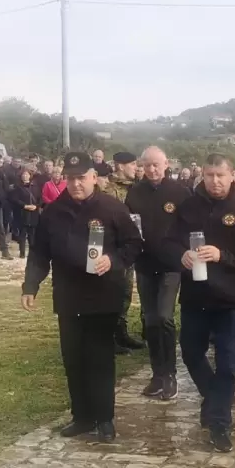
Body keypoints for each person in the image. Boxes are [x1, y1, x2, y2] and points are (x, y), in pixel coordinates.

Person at [21, 152, 141, 442]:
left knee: (100, 358)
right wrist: (30, 286)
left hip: (103, 295)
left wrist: (113, 259)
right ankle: (83, 417)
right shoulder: (53, 212)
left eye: (81, 178)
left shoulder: (112, 208)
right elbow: (40, 253)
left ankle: (105, 418)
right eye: (71, 178)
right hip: (69, 295)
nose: (76, 184)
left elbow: (134, 244)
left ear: (93, 178)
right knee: (73, 358)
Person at [160, 154, 235, 452]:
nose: (215, 181)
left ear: (232, 175)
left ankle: (220, 424)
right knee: (190, 352)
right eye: (209, 175)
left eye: (220, 175)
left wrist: (223, 256)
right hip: (195, 295)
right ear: (203, 176)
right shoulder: (189, 206)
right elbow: (168, 243)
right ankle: (213, 399)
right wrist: (180, 255)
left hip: (231, 297)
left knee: (228, 363)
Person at [126, 146, 191, 399]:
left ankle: (170, 374)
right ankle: (157, 374)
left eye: (156, 164)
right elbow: (129, 225)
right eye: (147, 165)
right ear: (141, 166)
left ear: (166, 165)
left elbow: (190, 225)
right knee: (151, 320)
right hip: (145, 264)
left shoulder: (179, 192)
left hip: (171, 265)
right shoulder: (135, 192)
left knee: (165, 317)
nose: (152, 169)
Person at [101, 151, 145, 352]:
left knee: (126, 291)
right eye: (132, 164)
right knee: (111, 291)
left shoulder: (136, 188)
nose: (136, 168)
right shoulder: (106, 189)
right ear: (120, 166)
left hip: (129, 247)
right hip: (112, 248)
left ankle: (121, 332)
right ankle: (108, 336)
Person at [9, 169, 39, 259]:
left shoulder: (35, 187)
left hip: (33, 213)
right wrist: (24, 205)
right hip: (23, 212)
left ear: (30, 176)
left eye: (27, 174)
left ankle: (32, 253)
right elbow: (15, 199)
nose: (25, 176)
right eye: (23, 174)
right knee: (22, 234)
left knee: (32, 235)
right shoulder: (17, 187)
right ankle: (22, 253)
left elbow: (40, 198)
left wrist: (36, 206)